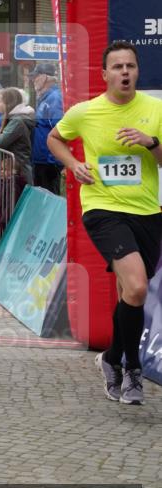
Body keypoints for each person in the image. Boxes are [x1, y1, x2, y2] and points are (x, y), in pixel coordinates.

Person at [47, 40, 162, 406]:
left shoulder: (155, 109)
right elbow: (54, 138)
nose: (125, 73)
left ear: (137, 71)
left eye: (130, 66)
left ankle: (111, 358)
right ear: (105, 74)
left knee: (128, 293)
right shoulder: (86, 112)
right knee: (139, 287)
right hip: (102, 207)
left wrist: (150, 142)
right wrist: (73, 164)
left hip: (146, 211)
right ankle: (132, 371)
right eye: (117, 67)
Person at [29, 62, 64, 194]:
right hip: (42, 159)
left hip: (48, 162)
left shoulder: (54, 99)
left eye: (35, 76)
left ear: (44, 77)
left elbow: (60, 129)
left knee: (48, 198)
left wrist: (53, 160)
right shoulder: (45, 98)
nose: (33, 80)